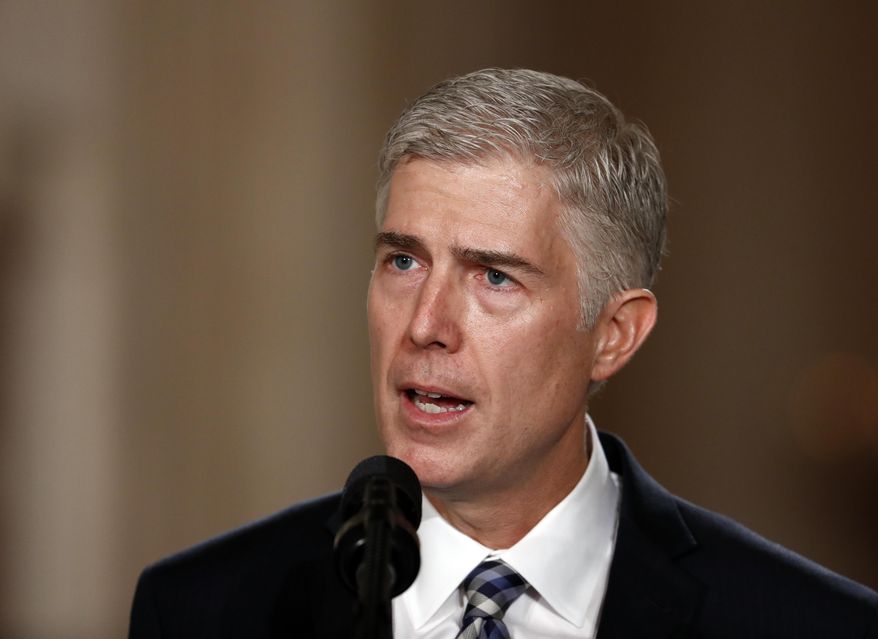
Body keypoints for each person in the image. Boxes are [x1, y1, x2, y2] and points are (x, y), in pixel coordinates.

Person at [128, 68, 878, 639]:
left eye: (493, 275)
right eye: (403, 261)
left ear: (613, 334)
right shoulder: (205, 608)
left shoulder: (810, 623)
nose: (426, 323)